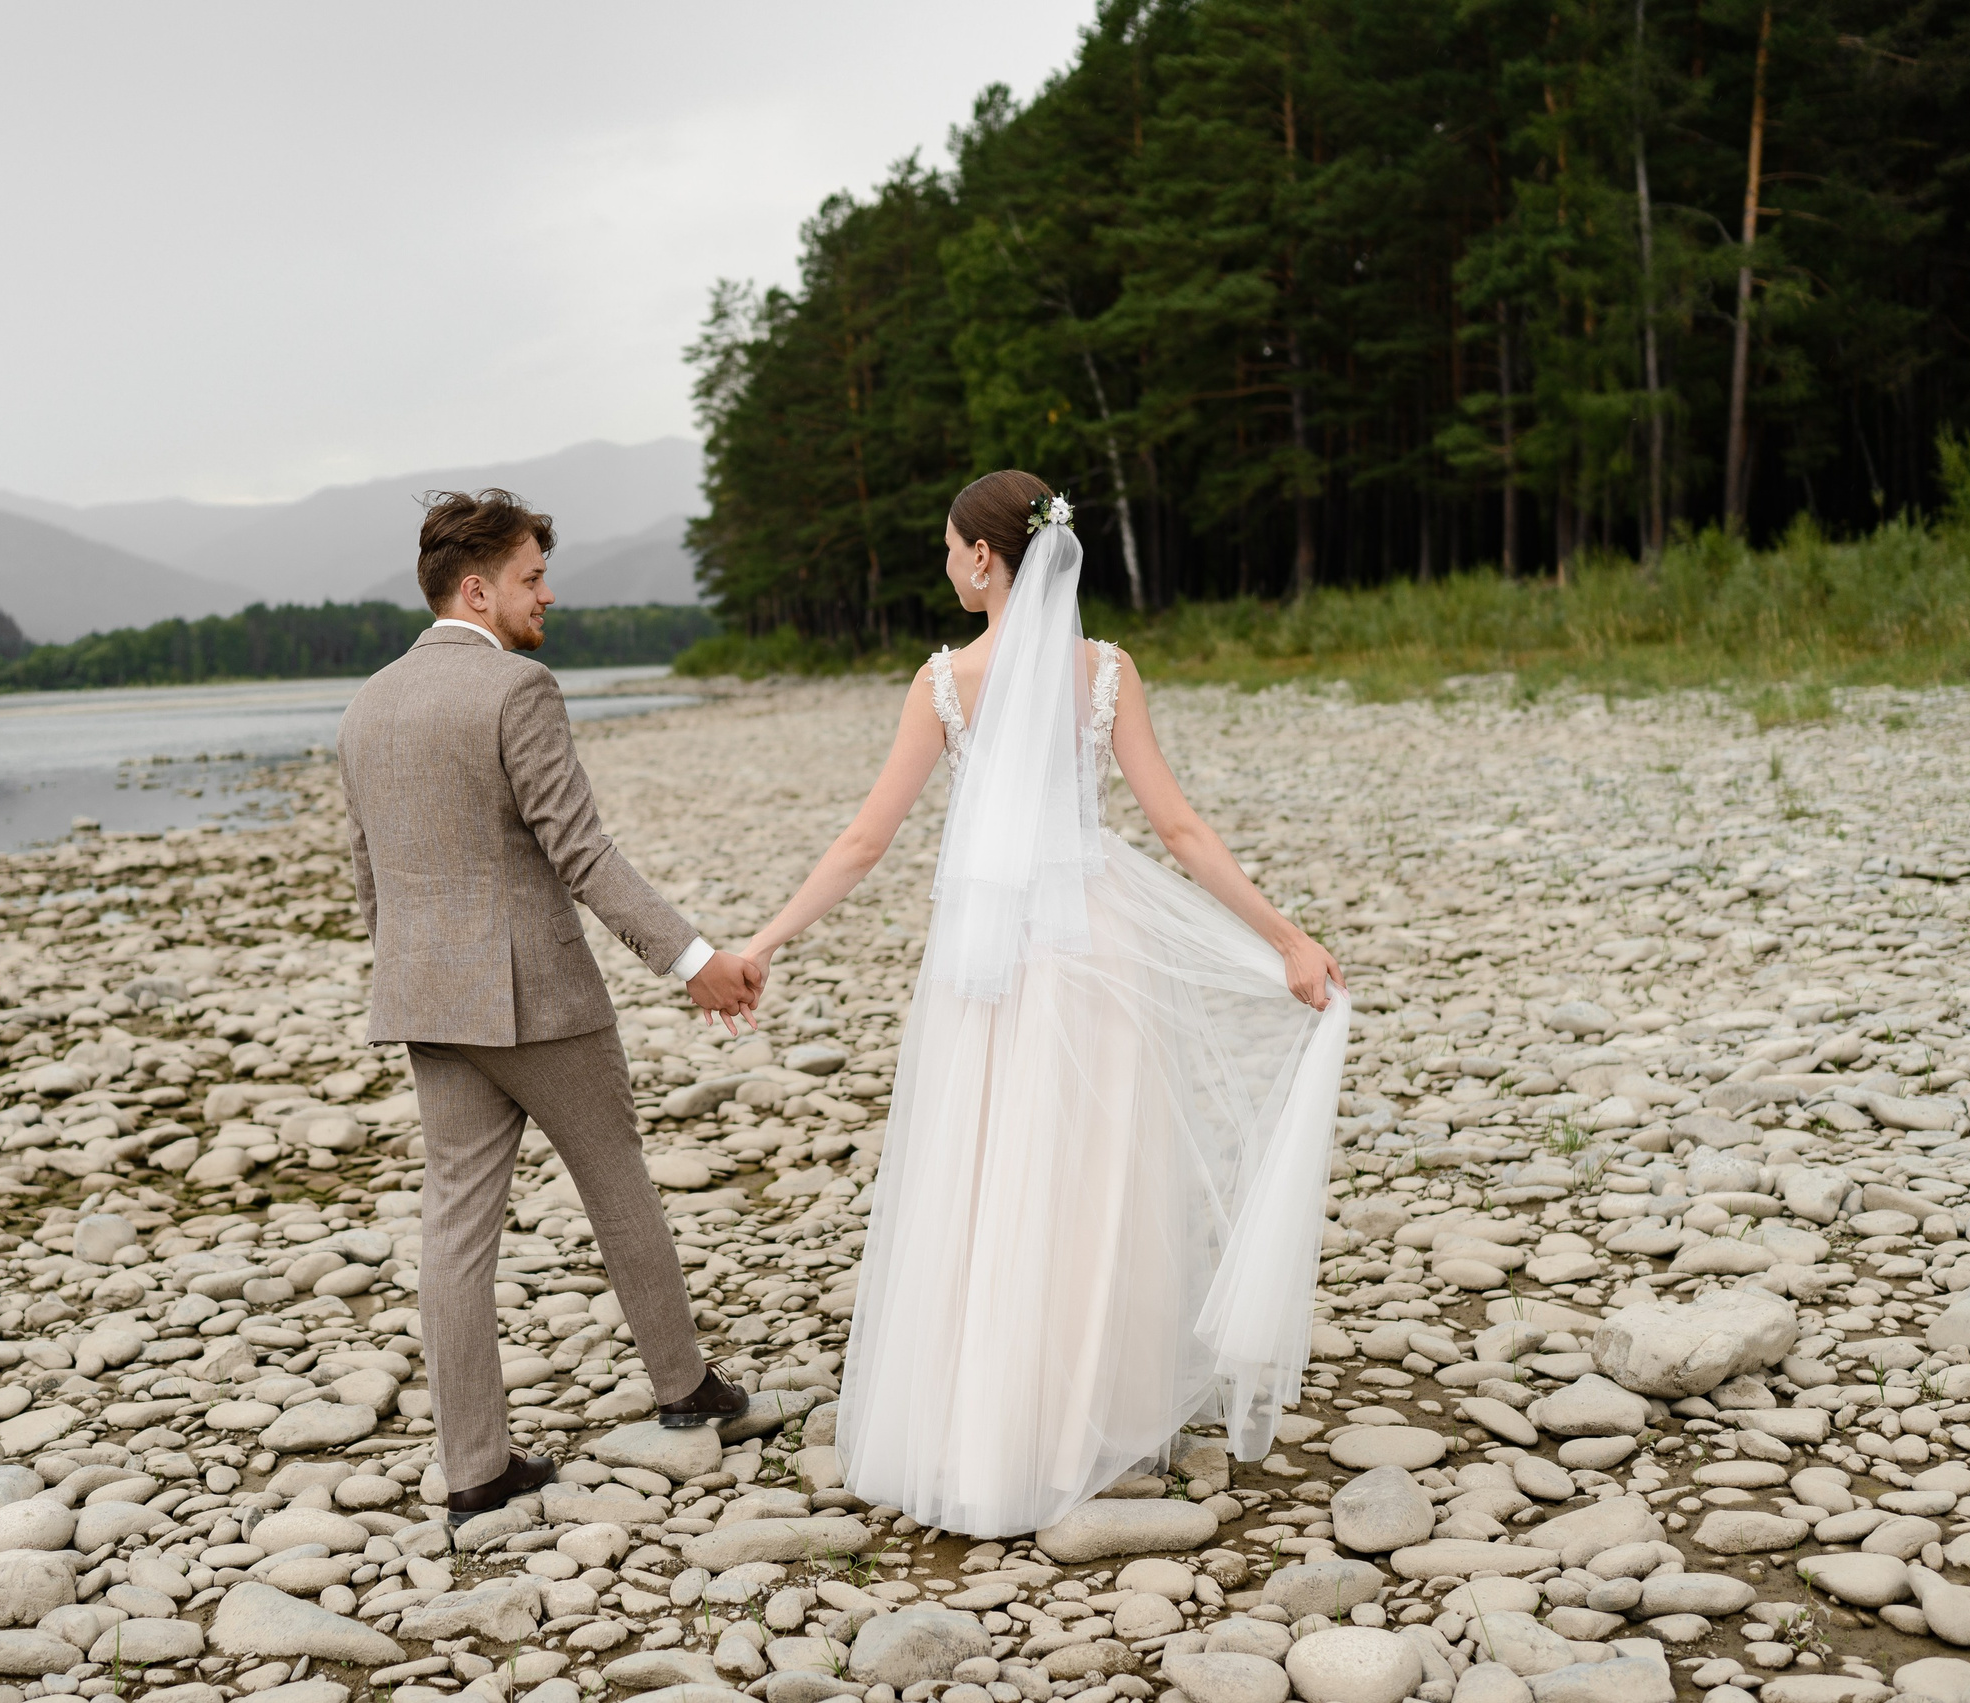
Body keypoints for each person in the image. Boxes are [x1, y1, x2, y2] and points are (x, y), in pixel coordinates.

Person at [738, 470, 1350, 1538]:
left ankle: (982, 1435)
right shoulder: (1106, 671)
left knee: (982, 1180)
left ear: (984, 557)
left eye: (946, 547)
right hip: (1093, 939)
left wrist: (762, 940)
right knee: (1092, 1184)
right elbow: (1182, 830)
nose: (943, 564)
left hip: (989, 962)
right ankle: (1082, 1429)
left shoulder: (944, 682)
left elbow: (863, 841)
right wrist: (1286, 938)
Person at [337, 488, 766, 1523]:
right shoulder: (516, 689)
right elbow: (583, 853)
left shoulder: (366, 704)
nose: (547, 593)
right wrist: (694, 957)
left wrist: (412, 971)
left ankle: (475, 1470)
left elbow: (368, 877)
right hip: (538, 999)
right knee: (618, 1184)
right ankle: (681, 1386)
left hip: (426, 999)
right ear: (476, 588)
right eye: (532, 577)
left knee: (454, 1231)